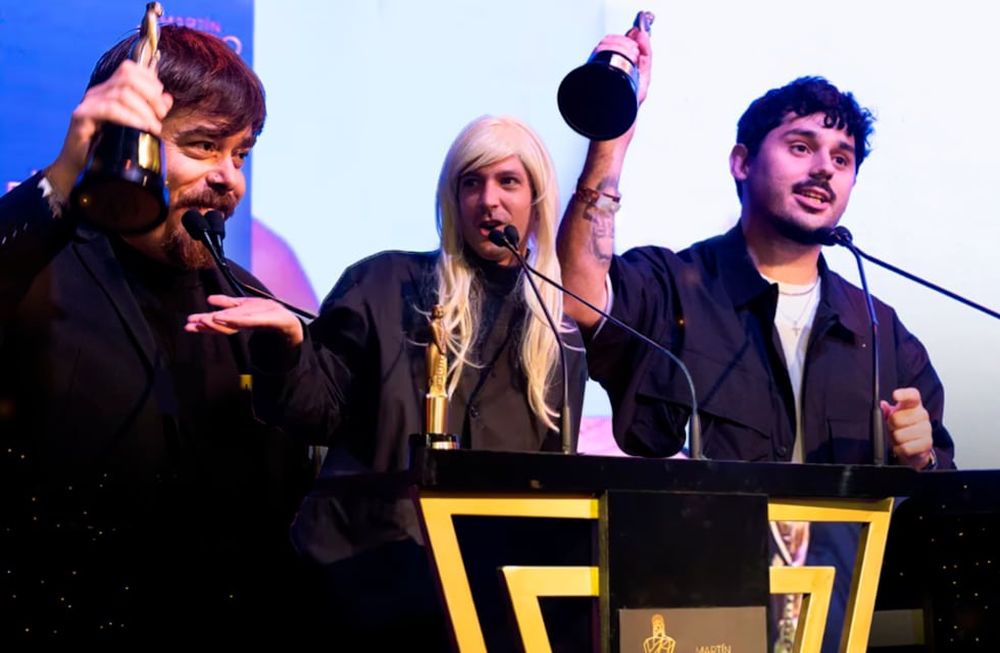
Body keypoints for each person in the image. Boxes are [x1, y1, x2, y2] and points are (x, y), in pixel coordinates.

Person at [556, 29, 955, 653]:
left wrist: (923, 464)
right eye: (801, 146)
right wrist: (612, 136)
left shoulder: (884, 337)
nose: (824, 167)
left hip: (839, 632)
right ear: (742, 162)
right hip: (691, 625)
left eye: (842, 158)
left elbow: (942, 523)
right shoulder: (671, 287)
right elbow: (581, 287)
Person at [0, 26, 324, 641]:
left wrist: (294, 364)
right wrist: (68, 175)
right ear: (132, 142)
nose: (232, 180)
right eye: (204, 146)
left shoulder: (247, 299)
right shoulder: (37, 266)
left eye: (242, 154)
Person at [276, 115, 589, 647]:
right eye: (471, 182)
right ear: (452, 197)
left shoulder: (558, 335)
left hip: (482, 600)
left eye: (507, 181)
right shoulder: (383, 283)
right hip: (359, 579)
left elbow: (550, 486)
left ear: (536, 199)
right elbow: (314, 412)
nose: (488, 200)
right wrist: (282, 350)